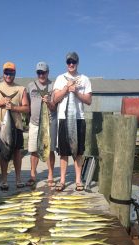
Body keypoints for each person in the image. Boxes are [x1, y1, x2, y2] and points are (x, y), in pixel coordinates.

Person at [0, 61, 29, 190]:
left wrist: (14, 107)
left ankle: (18, 179)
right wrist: (2, 102)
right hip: (2, 125)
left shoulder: (21, 89)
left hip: (16, 126)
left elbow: (27, 108)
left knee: (17, 152)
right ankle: (4, 180)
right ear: (3, 73)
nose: (9, 75)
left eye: (11, 72)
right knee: (3, 152)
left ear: (15, 73)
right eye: (7, 72)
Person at [53, 52, 92, 191]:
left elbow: (88, 101)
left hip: (79, 118)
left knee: (79, 151)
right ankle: (62, 180)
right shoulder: (59, 78)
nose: (71, 64)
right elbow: (55, 99)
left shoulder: (85, 79)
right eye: (69, 62)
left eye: (73, 62)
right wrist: (66, 89)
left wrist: (75, 92)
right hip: (64, 118)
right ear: (66, 63)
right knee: (63, 151)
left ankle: (78, 180)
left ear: (77, 63)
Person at [26, 61, 57, 187]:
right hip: (34, 123)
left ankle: (50, 175)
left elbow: (55, 107)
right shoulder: (30, 86)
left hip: (49, 122)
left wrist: (49, 102)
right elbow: (27, 104)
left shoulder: (53, 86)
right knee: (33, 150)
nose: (41, 75)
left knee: (49, 150)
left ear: (47, 72)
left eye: (43, 72)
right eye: (39, 72)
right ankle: (33, 175)